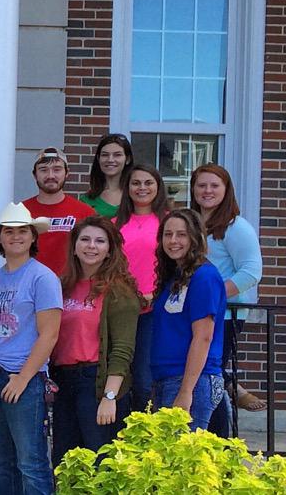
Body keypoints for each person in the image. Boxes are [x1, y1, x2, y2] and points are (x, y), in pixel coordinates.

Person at [0, 202, 61, 495]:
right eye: (9, 231)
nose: (15, 236)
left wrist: (23, 377)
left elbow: (50, 335)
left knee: (31, 463)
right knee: (1, 462)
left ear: (33, 237)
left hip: (21, 378)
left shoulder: (43, 278)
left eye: (22, 231)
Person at [50, 216, 142, 465]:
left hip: (95, 383)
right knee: (64, 463)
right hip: (63, 381)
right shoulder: (61, 286)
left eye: (100, 241)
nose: (92, 246)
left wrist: (109, 398)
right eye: (85, 239)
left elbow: (123, 351)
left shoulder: (119, 291)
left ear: (110, 249)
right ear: (75, 246)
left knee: (99, 463)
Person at [189, 164, 267, 420]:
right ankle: (233, 385)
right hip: (193, 315)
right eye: (201, 185)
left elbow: (251, 272)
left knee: (209, 377)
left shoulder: (237, 227)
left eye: (214, 185)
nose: (207, 191)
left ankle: (220, 437)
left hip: (224, 316)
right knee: (199, 374)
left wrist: (214, 296)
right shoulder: (191, 223)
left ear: (226, 190)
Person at [150, 209, 228, 431]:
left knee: (185, 460)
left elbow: (203, 337)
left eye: (182, 235)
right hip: (165, 378)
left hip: (193, 381)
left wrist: (186, 391)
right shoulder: (175, 276)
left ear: (195, 238)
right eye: (168, 234)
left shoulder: (204, 276)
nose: (173, 241)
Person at [114, 165, 169, 412]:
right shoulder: (116, 224)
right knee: (120, 375)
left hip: (154, 309)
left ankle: (146, 435)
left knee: (145, 381)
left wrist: (154, 295)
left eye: (148, 183)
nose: (142, 188)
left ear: (158, 187)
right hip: (120, 309)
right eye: (136, 183)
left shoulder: (168, 221)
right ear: (127, 188)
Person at [22, 147, 95, 275]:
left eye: (57, 169)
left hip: (72, 287)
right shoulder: (21, 211)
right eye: (44, 170)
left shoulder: (85, 213)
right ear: (35, 174)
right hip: (30, 286)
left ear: (67, 173)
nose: (51, 175)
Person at [80, 134, 133, 216]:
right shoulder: (86, 200)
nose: (110, 160)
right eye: (105, 155)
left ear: (128, 159)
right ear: (98, 159)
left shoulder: (135, 196)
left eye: (117, 155)